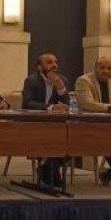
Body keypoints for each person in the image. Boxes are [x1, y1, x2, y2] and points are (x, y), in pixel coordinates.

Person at [22, 52, 69, 186]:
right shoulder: (31, 80)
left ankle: (48, 168)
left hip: (56, 124)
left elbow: (67, 104)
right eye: (49, 62)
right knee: (57, 137)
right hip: (35, 123)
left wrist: (61, 88)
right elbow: (27, 103)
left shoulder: (62, 79)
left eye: (55, 62)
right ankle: (50, 171)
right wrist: (50, 107)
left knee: (73, 138)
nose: (54, 65)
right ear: (39, 67)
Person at [75, 57, 111, 185]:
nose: (106, 71)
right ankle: (106, 175)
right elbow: (88, 104)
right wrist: (110, 108)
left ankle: (107, 174)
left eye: (109, 68)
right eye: (102, 68)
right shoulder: (84, 81)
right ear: (95, 68)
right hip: (87, 126)